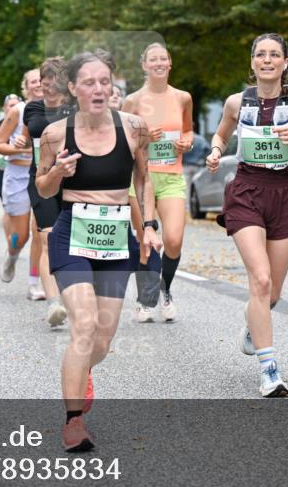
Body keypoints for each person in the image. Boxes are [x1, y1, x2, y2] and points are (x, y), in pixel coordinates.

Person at [36, 50, 160, 452]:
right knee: (84, 326)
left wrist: (150, 226)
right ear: (73, 88)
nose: (98, 88)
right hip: (72, 233)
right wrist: (57, 173)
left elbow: (144, 180)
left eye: (104, 81)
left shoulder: (134, 128)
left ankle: (80, 369)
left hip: (116, 235)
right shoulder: (55, 134)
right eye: (88, 82)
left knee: (101, 341)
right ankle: (73, 423)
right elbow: (42, 189)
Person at [206, 33, 288, 397]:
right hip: (248, 190)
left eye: (274, 55)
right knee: (259, 281)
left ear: (285, 62)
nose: (266, 60)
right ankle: (269, 369)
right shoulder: (236, 102)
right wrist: (216, 152)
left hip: (287, 194)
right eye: (260, 54)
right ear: (252, 63)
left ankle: (254, 322)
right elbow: (220, 135)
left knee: (272, 293)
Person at [122, 43, 194, 323]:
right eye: (153, 59)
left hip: (172, 176)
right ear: (144, 65)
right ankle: (143, 300)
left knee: (173, 241)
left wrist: (186, 141)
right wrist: (142, 138)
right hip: (141, 178)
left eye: (163, 58)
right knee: (146, 242)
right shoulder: (132, 101)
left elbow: (187, 130)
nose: (159, 63)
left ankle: (165, 288)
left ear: (170, 63)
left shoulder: (183, 98)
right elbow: (121, 141)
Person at [21, 57, 72, 327]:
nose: (48, 86)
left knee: (68, 239)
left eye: (54, 81)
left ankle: (71, 293)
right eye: (45, 80)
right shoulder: (32, 109)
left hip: (71, 180)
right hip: (40, 178)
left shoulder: (74, 110)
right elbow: (28, 136)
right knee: (47, 237)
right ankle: (53, 303)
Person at [0, 70, 44, 297]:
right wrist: (19, 147)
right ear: (26, 86)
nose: (38, 85)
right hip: (17, 175)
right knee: (20, 236)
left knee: (40, 232)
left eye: (42, 80)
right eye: (33, 81)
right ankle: (12, 255)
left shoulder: (53, 110)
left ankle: (34, 283)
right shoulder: (18, 111)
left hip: (41, 175)